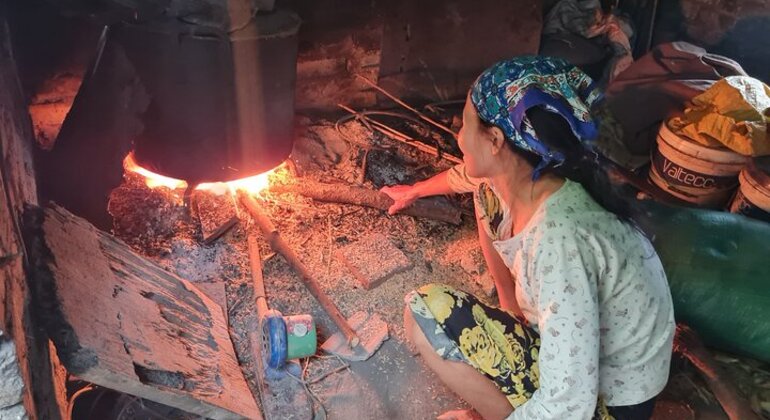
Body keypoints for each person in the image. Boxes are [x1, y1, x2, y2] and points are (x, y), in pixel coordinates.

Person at [382, 56, 675, 420]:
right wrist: (415, 190)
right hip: (585, 361)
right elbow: (466, 176)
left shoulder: (559, 242)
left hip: (610, 403)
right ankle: (513, 312)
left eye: (465, 124)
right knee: (485, 194)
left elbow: (569, 404)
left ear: (495, 140)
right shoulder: (542, 169)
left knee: (425, 310)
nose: (459, 137)